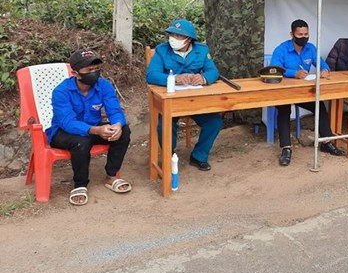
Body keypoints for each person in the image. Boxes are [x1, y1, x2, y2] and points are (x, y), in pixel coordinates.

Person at [49, 49, 132, 206]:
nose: (94, 73)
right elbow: (67, 122)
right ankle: (80, 184)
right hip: (62, 132)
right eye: (89, 70)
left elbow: (114, 110)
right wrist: (96, 130)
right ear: (76, 73)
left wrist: (117, 125)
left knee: (124, 131)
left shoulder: (104, 86)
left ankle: (111, 176)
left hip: (93, 128)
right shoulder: (61, 91)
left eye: (96, 69)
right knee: (81, 141)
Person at [146, 19, 222, 171]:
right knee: (165, 125)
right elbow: (151, 75)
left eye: (178, 36)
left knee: (214, 122)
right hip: (171, 101)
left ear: (189, 39)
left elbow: (213, 71)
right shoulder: (162, 50)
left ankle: (199, 156)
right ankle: (169, 155)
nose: (173, 38)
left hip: (194, 100)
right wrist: (174, 79)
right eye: (172, 34)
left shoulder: (202, 50)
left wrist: (203, 78)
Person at [271, 19, 346, 166]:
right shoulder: (281, 49)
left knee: (319, 106)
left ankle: (326, 142)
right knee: (284, 110)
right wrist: (294, 73)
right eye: (300, 34)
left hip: (303, 92)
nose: (303, 37)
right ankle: (286, 148)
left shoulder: (310, 48)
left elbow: (322, 63)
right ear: (292, 34)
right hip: (285, 92)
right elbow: (275, 69)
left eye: (306, 34)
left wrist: (324, 69)